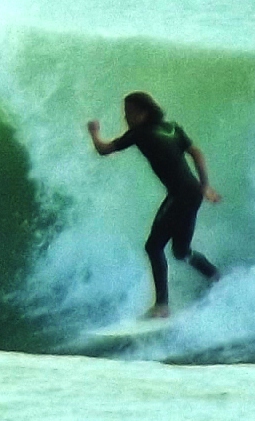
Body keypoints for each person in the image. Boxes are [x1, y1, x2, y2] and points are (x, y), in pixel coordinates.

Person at [87, 91, 221, 319]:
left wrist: (94, 132)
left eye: (129, 113)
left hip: (180, 195)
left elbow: (104, 149)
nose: (126, 118)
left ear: (144, 112)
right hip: (193, 193)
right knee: (181, 252)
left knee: (154, 247)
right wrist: (205, 185)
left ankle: (162, 306)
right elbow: (196, 152)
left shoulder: (139, 133)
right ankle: (217, 278)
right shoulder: (172, 128)